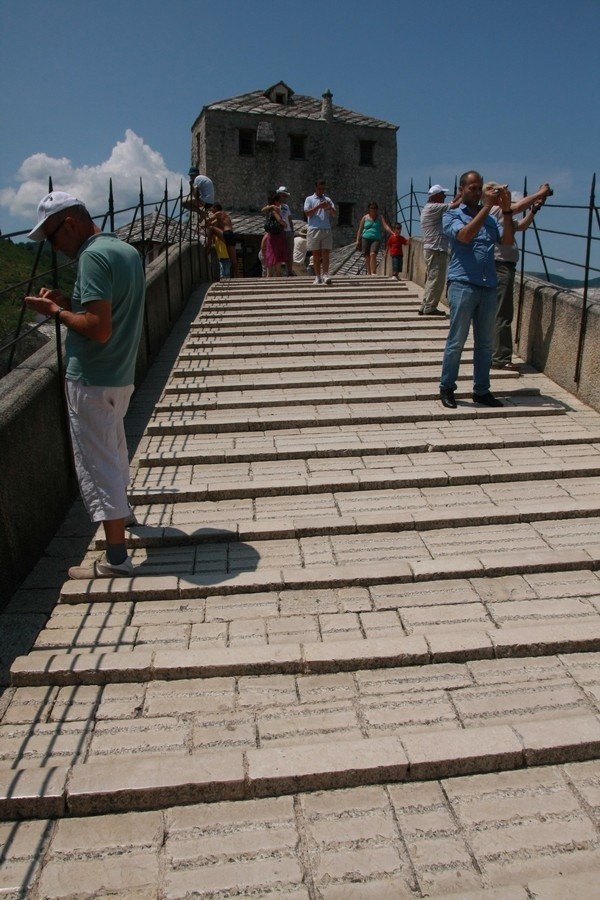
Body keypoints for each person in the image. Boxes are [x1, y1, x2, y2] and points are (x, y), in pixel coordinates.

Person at [25, 191, 145, 578]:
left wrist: (56, 311)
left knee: (99, 463)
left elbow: (98, 327)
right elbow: (108, 308)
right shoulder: (124, 250)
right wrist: (70, 298)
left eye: (53, 237)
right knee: (114, 448)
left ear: (70, 224)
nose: (55, 248)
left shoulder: (91, 257)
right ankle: (122, 518)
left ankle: (116, 560)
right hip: (120, 375)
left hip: (92, 378)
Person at [439, 171, 514, 410]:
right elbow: (464, 236)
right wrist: (487, 208)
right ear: (461, 189)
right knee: (457, 340)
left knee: (484, 343)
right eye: (472, 187)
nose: (477, 191)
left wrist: (507, 209)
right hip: (462, 283)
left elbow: (507, 241)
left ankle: (481, 390)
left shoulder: (491, 219)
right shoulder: (452, 214)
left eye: (479, 187)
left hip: (488, 285)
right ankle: (447, 387)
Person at [486, 182, 552, 372]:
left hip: (503, 267)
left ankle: (495, 354)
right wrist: (540, 192)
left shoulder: (498, 215)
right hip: (501, 267)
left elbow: (521, 226)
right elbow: (517, 208)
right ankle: (500, 357)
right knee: (503, 313)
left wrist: (534, 210)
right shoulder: (494, 211)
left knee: (499, 312)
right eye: (502, 192)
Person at [419, 184, 461, 315]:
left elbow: (452, 203)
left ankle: (426, 304)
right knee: (436, 279)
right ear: (436, 196)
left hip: (432, 248)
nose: (444, 196)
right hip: (436, 249)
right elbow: (454, 205)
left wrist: (460, 192)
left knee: (432, 278)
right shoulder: (434, 207)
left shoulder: (431, 207)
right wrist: (465, 194)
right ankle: (430, 307)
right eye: (442, 194)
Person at [304, 178, 335, 285]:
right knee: (316, 254)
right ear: (316, 188)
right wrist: (318, 206)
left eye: (323, 189)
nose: (322, 191)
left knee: (326, 253)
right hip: (314, 228)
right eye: (320, 188)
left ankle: (325, 274)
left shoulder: (328, 199)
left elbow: (334, 214)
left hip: (326, 228)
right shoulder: (309, 199)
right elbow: (307, 213)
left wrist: (330, 207)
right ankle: (317, 276)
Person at [355, 202, 393, 275]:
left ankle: (373, 272)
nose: (373, 209)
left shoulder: (380, 217)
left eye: (375, 208)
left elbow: (385, 226)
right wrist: (357, 240)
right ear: (369, 209)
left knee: (373, 254)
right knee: (367, 256)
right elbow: (360, 229)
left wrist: (392, 233)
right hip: (365, 238)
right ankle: (369, 273)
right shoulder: (365, 217)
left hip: (376, 238)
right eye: (371, 208)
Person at [206, 204, 237, 277]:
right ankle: (238, 277)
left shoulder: (219, 213)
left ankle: (207, 248)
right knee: (233, 263)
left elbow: (209, 222)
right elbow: (211, 223)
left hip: (227, 236)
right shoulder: (222, 217)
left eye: (212, 209)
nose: (212, 211)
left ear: (216, 208)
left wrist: (205, 215)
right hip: (231, 237)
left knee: (212, 229)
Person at [262, 193, 288, 276]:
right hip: (277, 235)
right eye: (279, 201)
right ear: (275, 201)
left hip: (271, 235)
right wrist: (285, 224)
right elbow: (279, 219)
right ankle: (278, 274)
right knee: (277, 255)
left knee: (271, 253)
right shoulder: (275, 209)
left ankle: (269, 276)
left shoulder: (269, 209)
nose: (280, 203)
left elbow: (262, 210)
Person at [277, 186, 295, 274]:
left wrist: (292, 230)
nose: (285, 198)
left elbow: (289, 218)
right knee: (281, 252)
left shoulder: (286, 206)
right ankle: (279, 271)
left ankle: (290, 271)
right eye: (284, 195)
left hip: (288, 231)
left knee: (290, 252)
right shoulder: (275, 206)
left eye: (286, 196)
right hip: (281, 232)